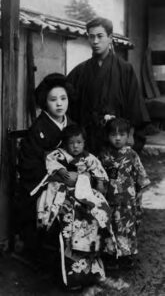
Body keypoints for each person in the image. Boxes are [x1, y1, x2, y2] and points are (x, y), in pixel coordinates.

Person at [32, 124, 129, 291]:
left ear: (84, 142)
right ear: (64, 143)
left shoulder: (89, 158)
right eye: (71, 143)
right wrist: (61, 172)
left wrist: (96, 183)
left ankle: (94, 271)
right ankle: (74, 277)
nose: (75, 146)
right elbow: (50, 166)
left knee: (96, 216)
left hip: (85, 194)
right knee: (69, 226)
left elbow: (100, 174)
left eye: (79, 142)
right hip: (62, 195)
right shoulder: (59, 155)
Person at [67, 17, 151, 154]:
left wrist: (131, 137)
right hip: (89, 141)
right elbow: (68, 103)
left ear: (110, 38)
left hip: (116, 139)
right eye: (91, 37)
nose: (95, 41)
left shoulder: (125, 69)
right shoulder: (80, 71)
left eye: (100, 36)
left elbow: (136, 106)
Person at [18, 73, 74, 251]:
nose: (59, 103)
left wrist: (78, 174)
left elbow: (81, 155)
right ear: (44, 102)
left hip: (71, 181)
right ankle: (54, 252)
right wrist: (56, 178)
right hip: (45, 184)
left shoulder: (72, 126)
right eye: (53, 99)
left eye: (63, 98)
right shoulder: (38, 129)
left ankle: (81, 252)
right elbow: (29, 165)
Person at [99, 118, 150, 269]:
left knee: (126, 227)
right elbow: (98, 175)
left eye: (122, 134)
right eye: (113, 134)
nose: (118, 138)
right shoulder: (103, 155)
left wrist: (139, 196)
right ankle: (111, 255)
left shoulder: (132, 154)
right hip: (109, 199)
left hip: (127, 200)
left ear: (128, 136)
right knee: (110, 226)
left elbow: (141, 176)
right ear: (107, 136)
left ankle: (127, 256)